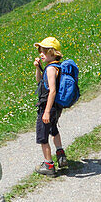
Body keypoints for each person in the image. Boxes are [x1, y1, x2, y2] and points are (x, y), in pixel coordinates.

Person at [33, 36, 68, 176]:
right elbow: (40, 81)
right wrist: (37, 68)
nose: (41, 53)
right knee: (53, 130)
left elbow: (52, 90)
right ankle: (61, 155)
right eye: (40, 51)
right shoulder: (54, 67)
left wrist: (46, 112)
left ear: (52, 52)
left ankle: (48, 165)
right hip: (56, 107)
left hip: (48, 107)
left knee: (42, 136)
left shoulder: (51, 69)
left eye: (44, 51)